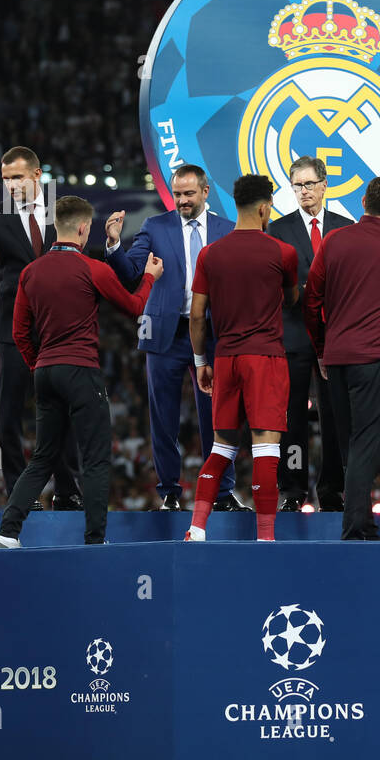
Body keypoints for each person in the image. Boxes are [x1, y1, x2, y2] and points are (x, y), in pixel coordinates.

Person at [0, 196, 162, 547]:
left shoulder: (30, 271)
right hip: (81, 370)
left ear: (57, 225)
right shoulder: (93, 268)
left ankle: (8, 532)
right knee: (96, 458)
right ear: (84, 228)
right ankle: (94, 540)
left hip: (45, 372)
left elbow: (19, 334)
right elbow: (133, 306)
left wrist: (37, 363)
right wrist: (148, 278)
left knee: (42, 456)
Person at [104, 164, 244, 511]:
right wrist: (113, 244)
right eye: (178, 194)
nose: (182, 200)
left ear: (205, 192)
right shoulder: (155, 225)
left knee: (217, 417)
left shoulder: (228, 230)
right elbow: (131, 273)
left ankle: (223, 493)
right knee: (163, 417)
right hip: (165, 335)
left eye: (188, 194)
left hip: (211, 335)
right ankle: (169, 492)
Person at [304, 176, 380, 541]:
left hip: (338, 359)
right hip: (376, 360)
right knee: (365, 443)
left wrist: (321, 349)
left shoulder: (332, 241)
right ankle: (356, 527)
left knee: (350, 443)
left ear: (362, 202)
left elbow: (312, 301)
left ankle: (358, 519)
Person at [0, 145, 83, 509]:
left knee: (60, 409)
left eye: (17, 177)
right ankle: (20, 491)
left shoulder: (61, 213)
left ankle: (67, 490)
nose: (11, 185)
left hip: (56, 329)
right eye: (5, 179)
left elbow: (79, 263)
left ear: (36, 175)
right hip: (12, 330)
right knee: (10, 412)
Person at [186, 175, 299, 542]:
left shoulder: (210, 254)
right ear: (265, 208)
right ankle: (265, 538)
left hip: (225, 359)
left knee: (221, 447)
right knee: (266, 449)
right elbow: (293, 298)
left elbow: (197, 314)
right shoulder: (282, 253)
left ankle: (197, 529)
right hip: (265, 358)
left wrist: (202, 361)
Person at [266, 156, 353, 511]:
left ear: (323, 184)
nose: (302, 191)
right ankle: (293, 489)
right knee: (293, 420)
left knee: (334, 419)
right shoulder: (277, 229)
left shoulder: (344, 228)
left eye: (308, 184)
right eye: (296, 185)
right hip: (294, 339)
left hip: (336, 340)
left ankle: (332, 489)